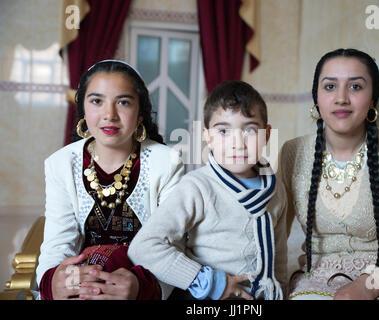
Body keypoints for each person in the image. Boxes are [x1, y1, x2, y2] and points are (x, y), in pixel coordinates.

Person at [280, 48, 379, 300]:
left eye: (355, 87)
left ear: (373, 98)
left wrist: (367, 287)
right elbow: (276, 238)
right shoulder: (292, 152)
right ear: (316, 98)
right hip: (317, 279)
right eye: (330, 86)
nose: (341, 98)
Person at [35, 60, 184, 300]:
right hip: (82, 288)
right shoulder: (60, 164)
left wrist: (140, 288)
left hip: (141, 288)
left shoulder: (167, 162)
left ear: (140, 113)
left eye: (123, 102)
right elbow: (57, 245)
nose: (109, 115)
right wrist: (54, 284)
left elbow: (173, 247)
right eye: (96, 101)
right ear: (83, 108)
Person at [128, 80, 288, 300]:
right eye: (223, 131)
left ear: (267, 135)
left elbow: (278, 257)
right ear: (207, 136)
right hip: (206, 297)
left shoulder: (275, 188)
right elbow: (143, 247)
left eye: (250, 130)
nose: (237, 144)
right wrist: (207, 281)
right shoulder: (197, 187)